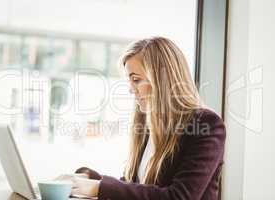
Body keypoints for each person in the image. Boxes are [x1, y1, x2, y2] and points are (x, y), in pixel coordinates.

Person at [72, 37, 226, 200]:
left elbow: (179, 196)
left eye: (136, 80)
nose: (132, 90)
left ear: (162, 81)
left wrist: (100, 188)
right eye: (129, 81)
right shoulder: (148, 124)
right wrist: (91, 178)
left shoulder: (207, 125)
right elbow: (136, 188)